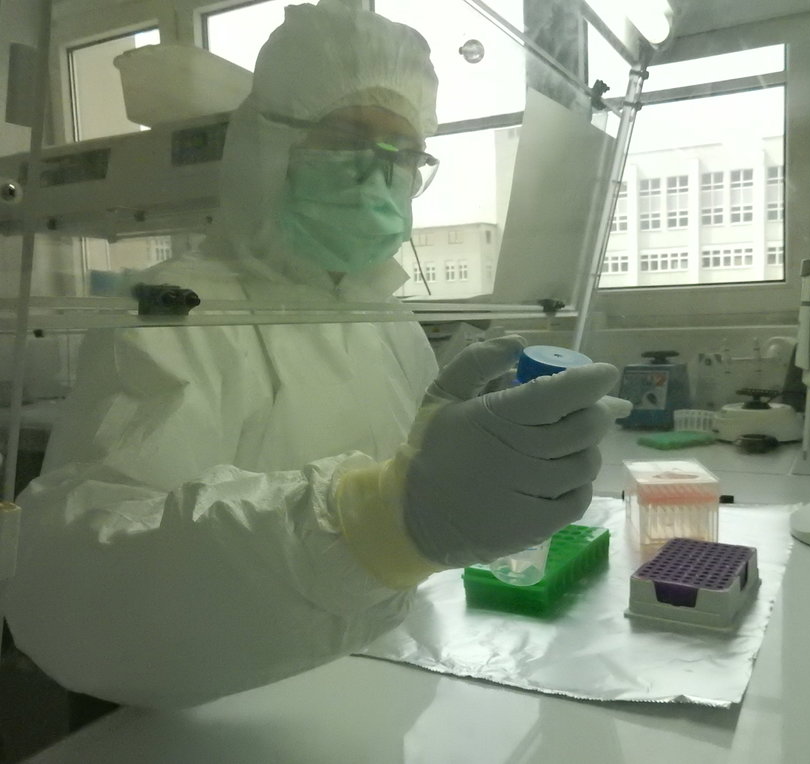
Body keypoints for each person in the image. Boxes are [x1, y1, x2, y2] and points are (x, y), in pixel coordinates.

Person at [3, 1, 627, 710]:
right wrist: (377, 520)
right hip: (220, 704)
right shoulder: (176, 309)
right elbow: (80, 594)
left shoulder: (383, 316)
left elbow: (425, 502)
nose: (378, 173)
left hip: (381, 680)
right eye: (351, 139)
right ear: (271, 146)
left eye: (403, 152)